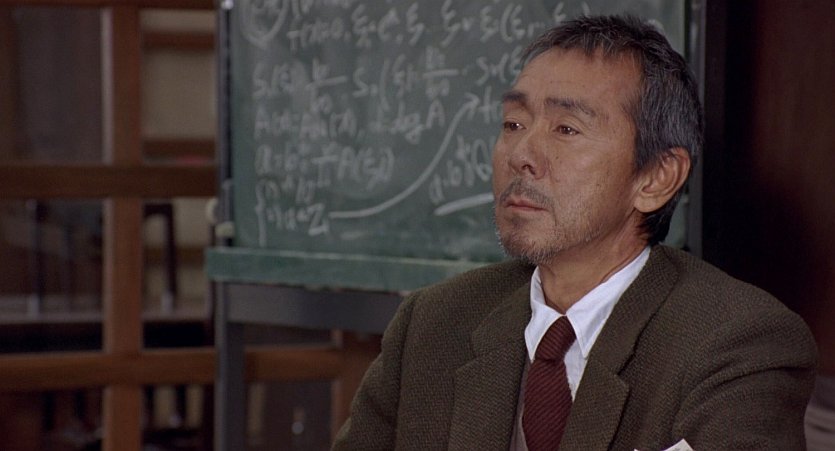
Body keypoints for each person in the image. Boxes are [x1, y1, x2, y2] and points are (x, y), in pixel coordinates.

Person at [332, 14, 817, 451]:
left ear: (656, 177)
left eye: (566, 129)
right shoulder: (434, 322)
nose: (521, 154)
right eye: (513, 123)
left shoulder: (737, 344)